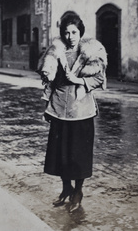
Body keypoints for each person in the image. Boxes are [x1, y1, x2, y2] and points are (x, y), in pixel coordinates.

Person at [37, 11, 107, 213]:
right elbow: (51, 81)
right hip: (59, 108)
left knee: (78, 155)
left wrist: (80, 81)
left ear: (80, 32)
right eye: (66, 33)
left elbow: (98, 79)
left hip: (81, 110)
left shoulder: (91, 53)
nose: (70, 37)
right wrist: (46, 106)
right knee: (60, 154)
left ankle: (78, 192)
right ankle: (66, 188)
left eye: (74, 32)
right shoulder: (56, 52)